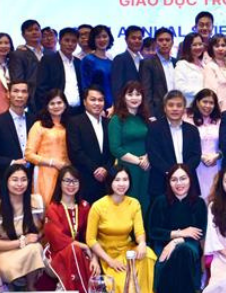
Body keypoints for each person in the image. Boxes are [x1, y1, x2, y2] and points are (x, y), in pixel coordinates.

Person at [87, 167, 161, 293]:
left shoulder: (134, 203)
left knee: (147, 254)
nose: (121, 184)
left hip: (127, 250)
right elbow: (90, 239)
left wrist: (142, 243)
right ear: (110, 182)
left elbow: (139, 231)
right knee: (125, 286)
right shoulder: (98, 206)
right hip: (108, 255)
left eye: (125, 180)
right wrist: (110, 261)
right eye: (117, 180)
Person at [148, 164, 207, 293]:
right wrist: (179, 233)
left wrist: (176, 241)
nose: (179, 183)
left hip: (189, 245)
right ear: (168, 182)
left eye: (183, 178)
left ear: (190, 180)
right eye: (174, 180)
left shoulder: (199, 203)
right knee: (175, 252)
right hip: (163, 244)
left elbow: (200, 231)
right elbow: (153, 231)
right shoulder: (160, 201)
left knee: (182, 251)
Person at [0, 164, 45, 290]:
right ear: (6, 181)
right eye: (15, 180)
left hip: (27, 250)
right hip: (3, 253)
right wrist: (22, 241)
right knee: (10, 267)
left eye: (23, 180)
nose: (19, 184)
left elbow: (45, 227)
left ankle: (30, 287)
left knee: (35, 248)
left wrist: (37, 236)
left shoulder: (36, 202)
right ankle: (10, 286)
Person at [44, 167, 97, 293]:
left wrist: (95, 258)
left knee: (77, 252)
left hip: (81, 252)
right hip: (56, 253)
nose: (71, 185)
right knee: (73, 250)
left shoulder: (84, 206)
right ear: (60, 183)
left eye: (75, 181)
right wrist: (83, 246)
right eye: (67, 181)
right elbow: (56, 238)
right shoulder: (53, 208)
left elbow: (91, 235)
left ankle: (69, 290)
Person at [146, 91, 202, 200]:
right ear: (164, 108)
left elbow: (196, 155)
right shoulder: (154, 128)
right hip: (161, 182)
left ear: (184, 109)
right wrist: (172, 174)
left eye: (179, 105)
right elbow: (153, 155)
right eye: (171, 105)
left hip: (188, 182)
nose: (175, 109)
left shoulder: (192, 130)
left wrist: (183, 174)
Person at [0, 80, 35, 193]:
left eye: (24, 91)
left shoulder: (35, 120)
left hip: (32, 180)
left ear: (28, 95)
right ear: (8, 94)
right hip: (6, 179)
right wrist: (12, 162)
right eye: (15, 91)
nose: (20, 95)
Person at [66, 86, 114, 203]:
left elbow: (113, 150)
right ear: (84, 102)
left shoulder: (109, 123)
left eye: (100, 100)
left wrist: (106, 169)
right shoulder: (75, 122)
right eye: (93, 100)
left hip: (107, 181)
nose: (97, 103)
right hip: (85, 179)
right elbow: (75, 152)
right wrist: (95, 169)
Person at [109, 81, 151, 212]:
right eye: (130, 94)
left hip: (146, 166)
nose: (134, 98)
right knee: (129, 202)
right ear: (123, 97)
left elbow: (151, 143)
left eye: (138, 94)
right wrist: (138, 161)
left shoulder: (145, 118)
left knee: (145, 201)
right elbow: (115, 148)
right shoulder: (116, 119)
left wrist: (147, 158)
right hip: (127, 168)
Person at [25, 89, 71, 203]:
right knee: (46, 205)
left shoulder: (71, 125)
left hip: (67, 172)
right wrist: (52, 163)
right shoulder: (39, 125)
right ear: (47, 106)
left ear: (65, 104)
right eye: (52, 103)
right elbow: (28, 155)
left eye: (59, 103)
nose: (56, 106)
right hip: (45, 172)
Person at [185, 89, 222, 202]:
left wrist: (217, 156)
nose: (208, 106)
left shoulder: (219, 120)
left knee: (215, 197)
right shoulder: (188, 120)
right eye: (205, 102)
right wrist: (200, 157)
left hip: (216, 165)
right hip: (196, 165)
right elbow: (185, 145)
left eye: (211, 103)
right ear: (197, 102)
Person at [36, 27, 82, 114]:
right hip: (56, 111)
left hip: (78, 111)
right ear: (59, 41)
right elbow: (41, 88)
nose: (70, 44)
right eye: (67, 40)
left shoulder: (78, 62)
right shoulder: (48, 60)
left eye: (74, 41)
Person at [140, 27, 176, 118]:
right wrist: (150, 114)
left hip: (176, 108)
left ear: (172, 42)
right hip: (157, 111)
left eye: (167, 40)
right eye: (160, 40)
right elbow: (146, 91)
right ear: (155, 43)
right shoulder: (148, 63)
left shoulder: (177, 62)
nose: (164, 43)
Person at [9, 19, 43, 110]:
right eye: (30, 30)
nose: (34, 32)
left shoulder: (49, 53)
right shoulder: (18, 54)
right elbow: (17, 79)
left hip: (49, 100)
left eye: (36, 29)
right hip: (31, 101)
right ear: (23, 35)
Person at [81, 25, 115, 109]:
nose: (102, 40)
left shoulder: (111, 62)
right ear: (93, 39)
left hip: (112, 107)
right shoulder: (88, 60)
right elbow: (85, 86)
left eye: (104, 36)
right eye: (98, 37)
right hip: (95, 105)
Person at [203, 34, 226, 112]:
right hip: (219, 108)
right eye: (217, 46)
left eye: (223, 45)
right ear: (211, 48)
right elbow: (211, 91)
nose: (220, 49)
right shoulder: (210, 66)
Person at [110, 25, 143, 102]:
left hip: (140, 103)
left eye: (140, 38)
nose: (137, 41)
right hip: (125, 104)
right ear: (126, 40)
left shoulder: (143, 60)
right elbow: (117, 86)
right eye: (133, 38)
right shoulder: (120, 59)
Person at [174, 32, 207, 108]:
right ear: (188, 47)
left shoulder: (204, 64)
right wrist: (203, 91)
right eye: (194, 45)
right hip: (189, 106)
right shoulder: (182, 65)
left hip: (204, 106)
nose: (198, 47)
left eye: (200, 44)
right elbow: (179, 87)